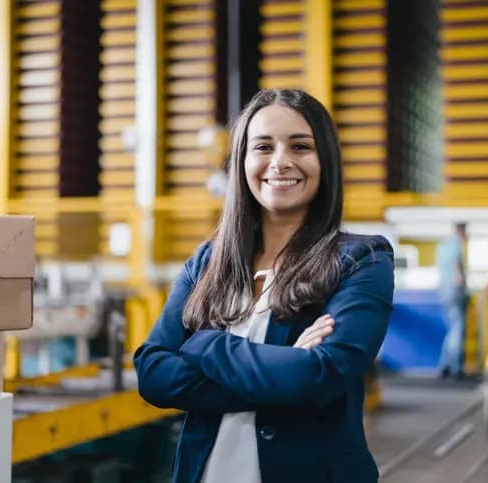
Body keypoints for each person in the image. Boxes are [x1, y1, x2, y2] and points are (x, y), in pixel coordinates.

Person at [134, 89, 394, 483]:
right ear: (241, 162)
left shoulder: (361, 260)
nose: (281, 161)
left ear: (325, 159)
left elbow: (319, 377)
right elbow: (153, 371)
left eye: (300, 146)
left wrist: (204, 344)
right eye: (263, 147)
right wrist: (280, 369)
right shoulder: (208, 262)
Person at [436, 222, 469, 378]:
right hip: (455, 290)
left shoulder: (442, 246)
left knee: (451, 329)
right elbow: (457, 267)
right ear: (461, 231)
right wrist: (461, 280)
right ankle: (456, 367)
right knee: (458, 328)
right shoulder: (456, 245)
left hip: (444, 290)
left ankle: (445, 365)